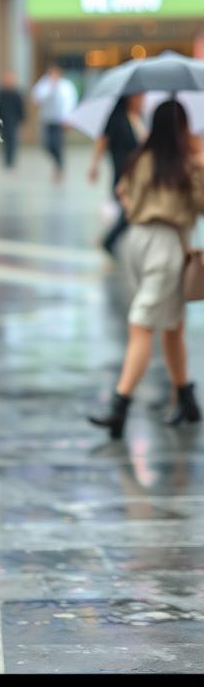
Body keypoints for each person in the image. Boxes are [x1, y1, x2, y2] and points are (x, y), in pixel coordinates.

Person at [88, 99, 204, 437]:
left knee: (151, 323)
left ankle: (120, 406)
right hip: (166, 243)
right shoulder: (187, 164)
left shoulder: (141, 158)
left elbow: (123, 193)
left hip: (138, 242)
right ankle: (183, 399)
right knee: (162, 325)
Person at [88, 93, 145, 256]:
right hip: (122, 173)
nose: (143, 101)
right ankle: (108, 240)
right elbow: (102, 140)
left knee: (130, 211)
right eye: (140, 97)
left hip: (136, 174)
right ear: (131, 98)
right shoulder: (117, 118)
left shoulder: (138, 118)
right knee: (130, 211)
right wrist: (94, 165)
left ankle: (110, 240)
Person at [31, 63, 77, 181]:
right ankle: (57, 163)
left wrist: (69, 119)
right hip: (47, 120)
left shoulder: (66, 86)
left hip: (60, 121)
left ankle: (59, 167)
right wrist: (51, 88)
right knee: (47, 144)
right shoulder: (44, 84)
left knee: (57, 144)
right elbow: (37, 99)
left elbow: (70, 103)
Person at [0, 70, 25, 170]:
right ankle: (7, 161)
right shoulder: (0, 93)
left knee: (12, 142)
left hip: (13, 121)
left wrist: (21, 121)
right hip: (3, 121)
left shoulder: (16, 93)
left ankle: (11, 162)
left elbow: (21, 109)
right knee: (5, 142)